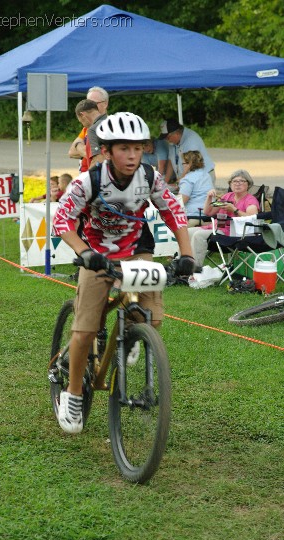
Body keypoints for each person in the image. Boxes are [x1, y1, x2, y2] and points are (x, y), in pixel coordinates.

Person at [53, 112, 195, 434]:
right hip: (97, 253)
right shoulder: (87, 181)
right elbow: (62, 221)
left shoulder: (149, 177)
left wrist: (186, 253)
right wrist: (83, 252)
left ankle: (131, 337)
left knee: (151, 318)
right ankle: (73, 393)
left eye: (138, 148)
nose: (132, 156)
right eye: (123, 149)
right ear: (106, 151)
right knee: (86, 329)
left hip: (137, 248)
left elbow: (173, 210)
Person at [188, 169, 260, 268]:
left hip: (234, 233)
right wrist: (209, 197)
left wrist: (235, 210)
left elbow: (252, 218)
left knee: (199, 235)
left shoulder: (250, 200)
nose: (237, 184)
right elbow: (208, 212)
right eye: (234, 181)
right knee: (187, 232)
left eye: (241, 181)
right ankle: (181, 266)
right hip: (217, 227)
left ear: (248, 184)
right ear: (230, 184)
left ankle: (193, 269)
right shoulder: (226, 197)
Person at [160, 119, 216, 187]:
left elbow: (190, 168)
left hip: (203, 178)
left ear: (176, 133)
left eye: (168, 137)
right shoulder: (173, 141)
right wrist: (164, 184)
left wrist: (177, 184)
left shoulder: (191, 141)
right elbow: (171, 162)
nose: (167, 140)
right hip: (187, 178)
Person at [68, 87, 109, 172]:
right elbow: (71, 152)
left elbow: (99, 158)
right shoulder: (87, 127)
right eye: (87, 102)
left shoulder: (106, 125)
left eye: (93, 103)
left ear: (105, 104)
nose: (89, 106)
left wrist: (78, 146)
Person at [179, 150, 214, 227]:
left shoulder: (188, 179)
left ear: (189, 164)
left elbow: (181, 201)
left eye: (183, 163)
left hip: (192, 216)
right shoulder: (206, 175)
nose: (182, 165)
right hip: (208, 214)